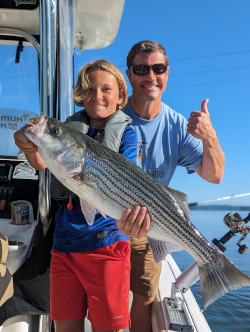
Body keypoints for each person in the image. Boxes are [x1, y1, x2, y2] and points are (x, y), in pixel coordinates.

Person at [13, 60, 138, 332]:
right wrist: (29, 144)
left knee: (109, 327)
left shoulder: (127, 135)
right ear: (80, 95)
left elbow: (132, 181)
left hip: (107, 245)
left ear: (120, 96)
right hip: (64, 245)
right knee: (65, 325)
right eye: (89, 89)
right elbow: (41, 163)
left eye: (106, 89)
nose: (97, 95)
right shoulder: (72, 131)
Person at [116, 41, 225, 332]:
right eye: (141, 69)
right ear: (130, 74)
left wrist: (209, 137)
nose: (150, 76)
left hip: (152, 223)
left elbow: (214, 176)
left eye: (158, 68)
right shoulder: (111, 118)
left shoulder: (177, 125)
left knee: (145, 297)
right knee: (107, 297)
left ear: (167, 73)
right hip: (107, 216)